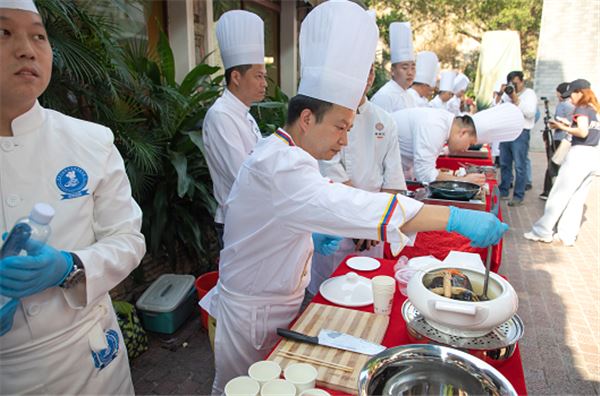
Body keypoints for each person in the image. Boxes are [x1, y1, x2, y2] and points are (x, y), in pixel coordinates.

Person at [200, 2, 508, 393]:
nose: (345, 139)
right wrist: (452, 217)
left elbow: (311, 205)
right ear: (308, 118)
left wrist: (307, 234)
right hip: (253, 310)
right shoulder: (281, 166)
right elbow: (355, 205)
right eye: (341, 127)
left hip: (279, 298)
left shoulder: (290, 155)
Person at [0, 2, 146, 394]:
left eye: (38, 36)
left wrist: (70, 266)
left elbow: (128, 239)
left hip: (92, 359)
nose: (27, 49)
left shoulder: (90, 141)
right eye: (4, 33)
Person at [308, 63, 407, 297]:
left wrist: (375, 224)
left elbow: (393, 180)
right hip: (336, 225)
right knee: (326, 297)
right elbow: (331, 175)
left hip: (373, 232)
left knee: (368, 294)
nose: (365, 76)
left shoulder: (386, 121)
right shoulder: (326, 117)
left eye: (369, 70)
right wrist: (363, 221)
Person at [202, 10, 267, 249]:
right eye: (259, 76)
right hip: (238, 223)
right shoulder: (221, 116)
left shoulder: (244, 113)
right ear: (236, 77)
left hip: (255, 220)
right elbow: (244, 174)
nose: (264, 84)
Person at [524, 79, 600, 246]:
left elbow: (582, 131)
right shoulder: (595, 109)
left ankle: (542, 231)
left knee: (559, 194)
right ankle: (567, 235)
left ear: (580, 92)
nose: (570, 99)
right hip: (593, 155)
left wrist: (562, 126)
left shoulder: (582, 108)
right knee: (577, 199)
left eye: (571, 94)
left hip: (579, 154)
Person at [392, 108, 486, 185]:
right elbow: (424, 174)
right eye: (470, 144)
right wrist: (465, 180)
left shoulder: (444, 122)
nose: (466, 149)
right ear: (463, 132)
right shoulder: (435, 126)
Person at [498, 70, 538, 206]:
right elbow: (500, 110)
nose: (514, 87)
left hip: (521, 132)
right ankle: (503, 190)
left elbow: (530, 113)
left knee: (520, 165)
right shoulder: (506, 94)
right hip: (506, 131)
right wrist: (502, 94)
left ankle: (518, 195)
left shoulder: (529, 94)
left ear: (522, 81)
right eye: (511, 84)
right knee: (504, 163)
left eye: (516, 83)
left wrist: (515, 98)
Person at [370, 21, 416, 112]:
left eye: (413, 68)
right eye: (404, 68)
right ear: (392, 71)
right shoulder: (384, 96)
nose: (410, 72)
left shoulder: (410, 96)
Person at [540, 82, 575, 200]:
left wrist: (552, 124)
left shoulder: (563, 105)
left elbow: (557, 123)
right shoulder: (573, 105)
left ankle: (547, 191)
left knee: (553, 164)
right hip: (569, 139)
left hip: (560, 139)